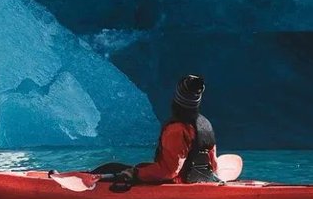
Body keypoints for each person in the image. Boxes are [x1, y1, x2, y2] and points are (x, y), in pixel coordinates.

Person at [92, 74, 221, 186]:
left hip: (176, 183)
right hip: (199, 180)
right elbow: (213, 166)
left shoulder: (177, 129)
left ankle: (88, 181)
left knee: (110, 168)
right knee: (133, 166)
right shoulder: (205, 124)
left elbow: (169, 172)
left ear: (176, 101)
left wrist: (135, 174)